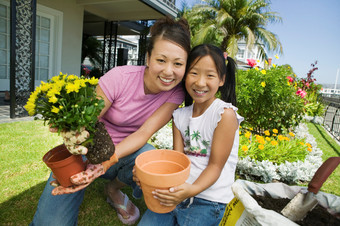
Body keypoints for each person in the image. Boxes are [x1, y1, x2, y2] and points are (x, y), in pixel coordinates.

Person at [30, 16, 191, 226]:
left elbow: (143, 133)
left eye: (178, 64)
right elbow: (88, 122)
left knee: (148, 155)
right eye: (161, 60)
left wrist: (105, 164)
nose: (169, 71)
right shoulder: (120, 78)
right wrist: (71, 130)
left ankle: (113, 189)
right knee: (49, 223)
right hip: (89, 149)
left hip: (123, 155)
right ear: (148, 57)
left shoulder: (175, 93)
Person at [136, 44, 244, 225]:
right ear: (185, 75)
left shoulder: (225, 115)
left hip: (210, 200)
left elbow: (216, 166)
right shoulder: (179, 116)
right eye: (194, 73)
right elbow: (179, 162)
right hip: (178, 192)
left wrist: (191, 190)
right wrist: (151, 179)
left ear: (222, 80)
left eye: (210, 75)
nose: (200, 82)